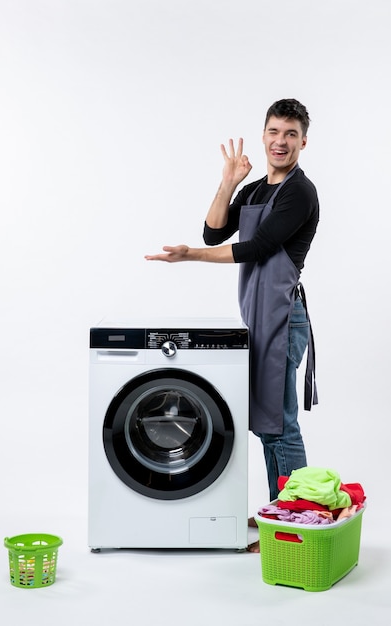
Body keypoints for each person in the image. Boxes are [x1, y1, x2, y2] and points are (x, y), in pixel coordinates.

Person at [145, 98, 319, 552]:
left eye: (291, 134)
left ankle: (292, 525)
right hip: (256, 316)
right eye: (274, 132)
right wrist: (227, 183)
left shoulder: (300, 192)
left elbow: (256, 247)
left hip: (282, 317)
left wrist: (190, 258)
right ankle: (277, 508)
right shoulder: (257, 189)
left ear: (304, 141)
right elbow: (214, 232)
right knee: (264, 421)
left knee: (280, 423)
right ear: (263, 135)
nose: (281, 142)